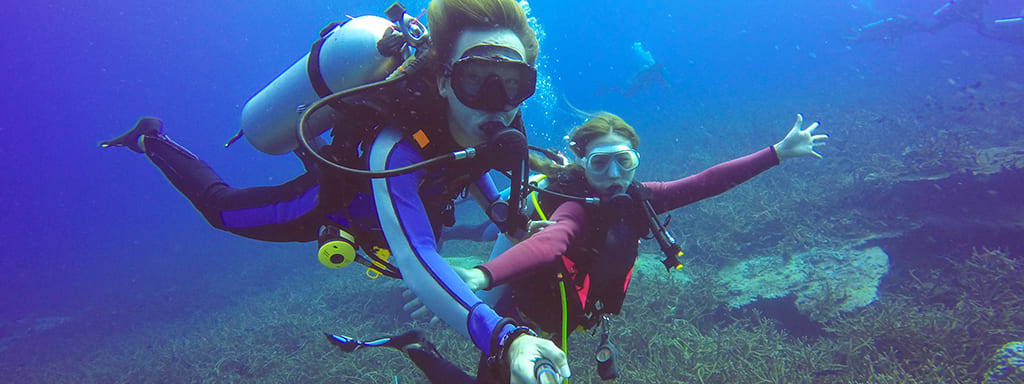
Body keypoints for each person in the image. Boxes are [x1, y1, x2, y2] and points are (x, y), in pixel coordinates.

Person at [99, 0, 568, 382]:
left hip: (409, 205)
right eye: (475, 78)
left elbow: (471, 162)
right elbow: (416, 256)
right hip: (336, 207)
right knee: (221, 210)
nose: (499, 101)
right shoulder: (396, 150)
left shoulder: (500, 120)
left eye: (513, 83)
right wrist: (505, 337)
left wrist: (507, 213)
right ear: (444, 80)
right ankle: (152, 139)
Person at [336, 111, 828, 380]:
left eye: (624, 161)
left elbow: (706, 181)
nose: (613, 176)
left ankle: (418, 351)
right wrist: (483, 277)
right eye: (600, 164)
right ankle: (419, 351)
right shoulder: (574, 204)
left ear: (636, 161)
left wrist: (777, 153)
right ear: (582, 163)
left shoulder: (642, 199)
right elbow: (553, 242)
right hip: (522, 320)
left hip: (571, 318)